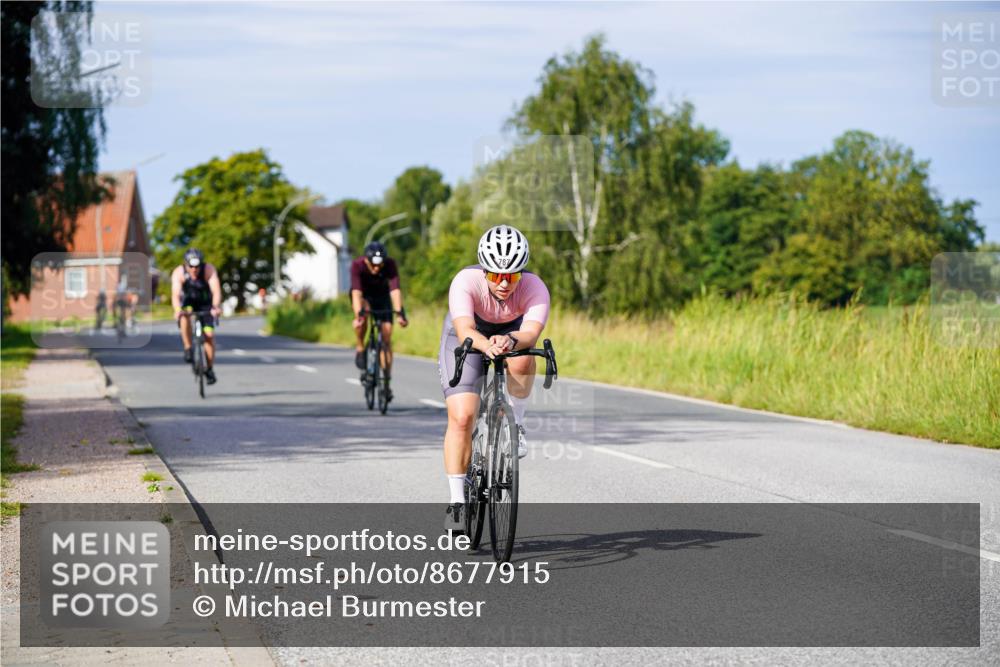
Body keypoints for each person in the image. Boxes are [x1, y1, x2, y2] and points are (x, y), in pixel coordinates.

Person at [436, 225, 550, 532]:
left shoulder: (535, 287)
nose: (503, 283)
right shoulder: (465, 281)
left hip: (510, 335)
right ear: (484, 271)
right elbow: (464, 330)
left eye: (511, 276)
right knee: (463, 417)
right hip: (466, 339)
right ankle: (457, 502)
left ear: (521, 274)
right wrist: (487, 345)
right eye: (496, 275)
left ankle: (518, 424)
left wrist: (510, 342)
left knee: (525, 357)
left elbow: (530, 333)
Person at [350, 241, 408, 384]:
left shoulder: (390, 264)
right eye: (373, 264)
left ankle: (386, 378)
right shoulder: (357, 265)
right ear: (366, 260)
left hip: (382, 297)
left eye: (379, 264)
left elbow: (395, 290)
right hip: (364, 296)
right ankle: (360, 346)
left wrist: (400, 313)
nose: (376, 268)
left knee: (387, 334)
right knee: (363, 317)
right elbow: (356, 293)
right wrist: (358, 315)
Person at [171, 248, 222, 384]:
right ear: (186, 264)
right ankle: (188, 348)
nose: (194, 269)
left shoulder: (208, 269)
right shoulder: (179, 272)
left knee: (209, 336)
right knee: (184, 316)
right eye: (191, 266)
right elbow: (175, 294)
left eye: (197, 266)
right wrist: (177, 309)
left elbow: (216, 291)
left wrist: (216, 307)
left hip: (206, 304)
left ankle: (209, 369)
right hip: (188, 303)